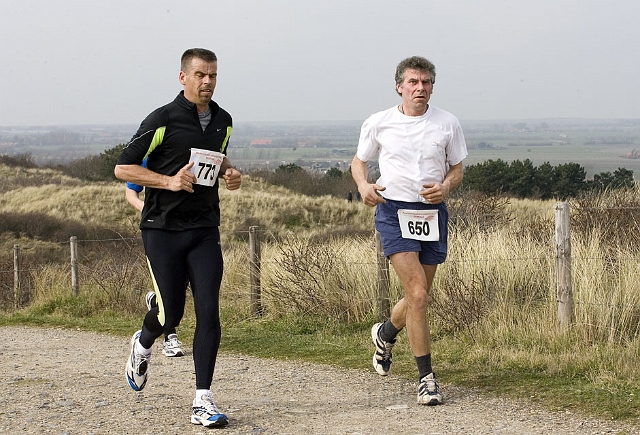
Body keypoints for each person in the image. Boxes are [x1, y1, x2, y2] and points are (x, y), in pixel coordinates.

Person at [115, 47, 242, 428]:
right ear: (183, 77)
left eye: (213, 75)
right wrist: (167, 181)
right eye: (201, 75)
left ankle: (202, 399)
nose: (208, 82)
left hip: (204, 229)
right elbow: (123, 167)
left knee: (209, 310)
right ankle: (144, 341)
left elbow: (220, 160)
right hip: (162, 229)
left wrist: (231, 175)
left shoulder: (223, 120)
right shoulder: (163, 118)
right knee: (171, 313)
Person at [351, 56, 467, 405]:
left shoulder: (447, 123)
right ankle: (426, 378)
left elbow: (457, 169)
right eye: (413, 82)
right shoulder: (379, 122)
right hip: (392, 209)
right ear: (399, 85)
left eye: (427, 82)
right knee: (416, 293)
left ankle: (386, 333)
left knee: (420, 294)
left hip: (431, 213)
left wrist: (446, 187)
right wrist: (363, 185)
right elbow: (360, 161)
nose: (420, 88)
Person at [125, 162, 185, 358]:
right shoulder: (149, 151)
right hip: (159, 230)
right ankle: (170, 337)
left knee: (181, 287)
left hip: (190, 227)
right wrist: (150, 211)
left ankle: (155, 304)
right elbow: (130, 194)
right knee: (171, 288)